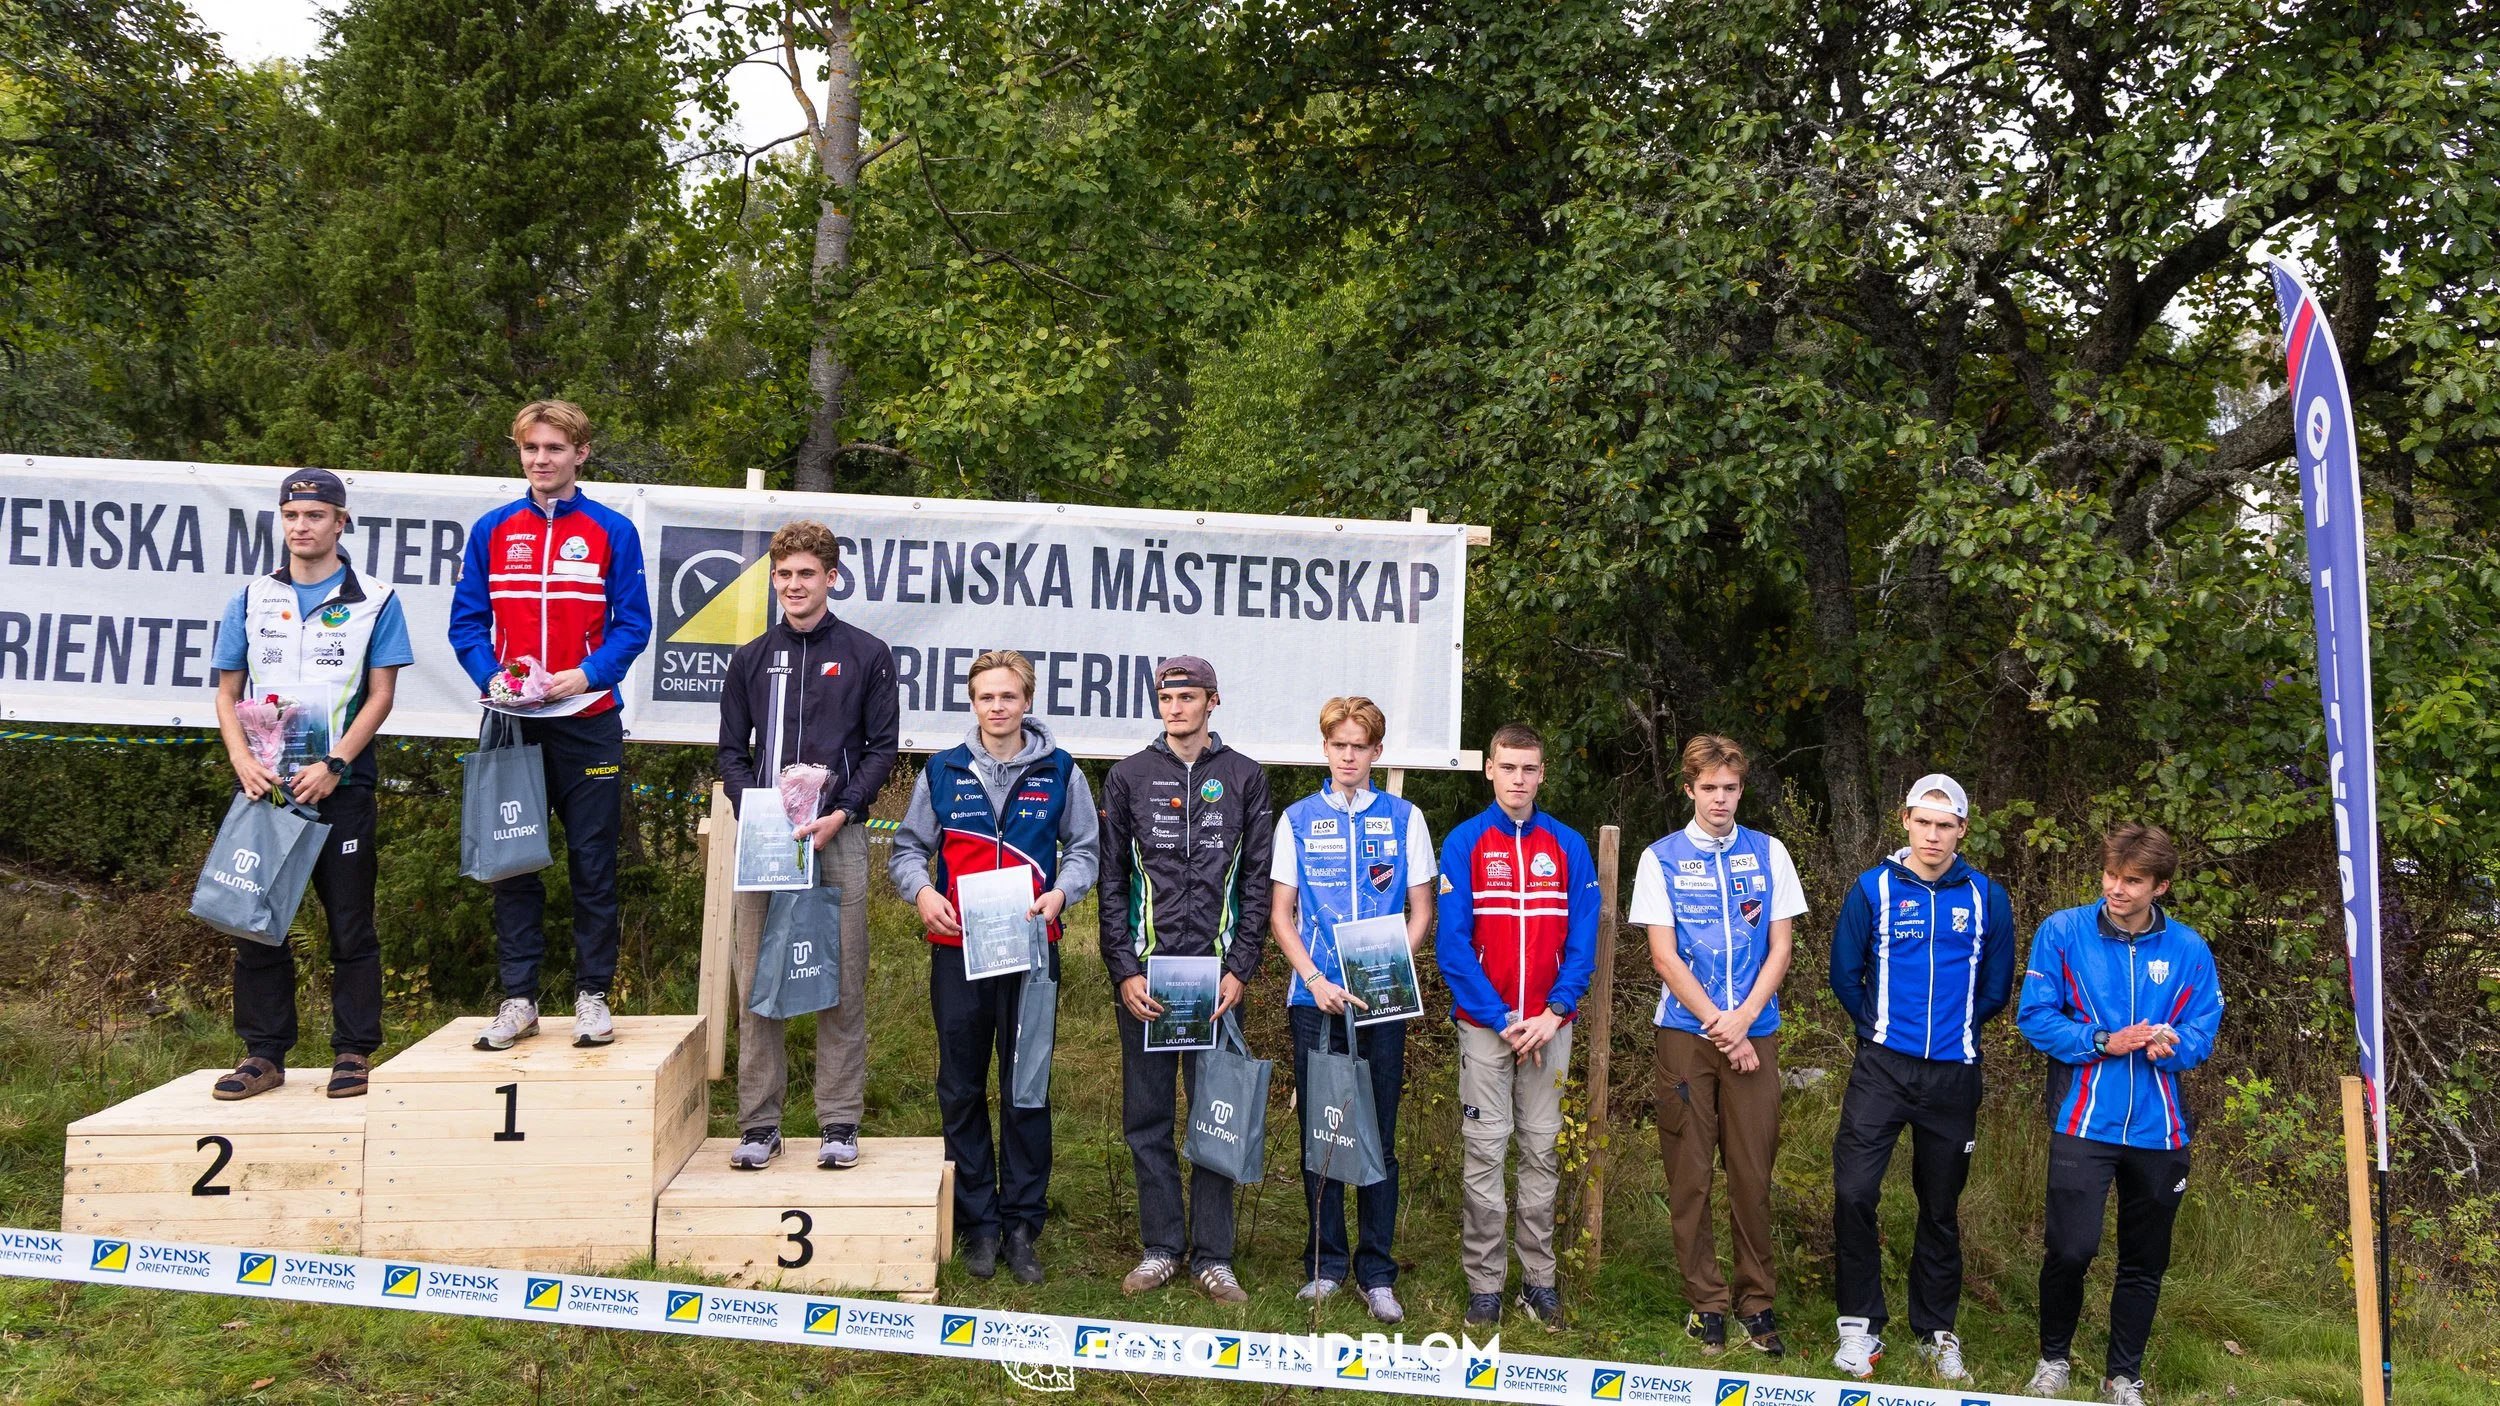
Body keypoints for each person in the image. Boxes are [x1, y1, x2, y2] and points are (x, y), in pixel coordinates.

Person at [448, 399, 651, 1051]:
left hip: (588, 720)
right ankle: (519, 999)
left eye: (555, 448)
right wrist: (495, 678)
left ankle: (592, 995)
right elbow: (466, 623)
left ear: (580, 453)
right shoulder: (492, 529)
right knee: (512, 863)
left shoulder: (612, 530)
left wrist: (587, 675)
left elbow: (634, 625)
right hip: (514, 724)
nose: (541, 459)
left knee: (593, 862)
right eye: (531, 448)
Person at [889, 649, 1097, 1284]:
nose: (997, 707)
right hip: (958, 952)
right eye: (986, 697)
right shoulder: (943, 770)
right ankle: (978, 1221)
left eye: (1008, 696)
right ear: (973, 702)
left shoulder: (1061, 771)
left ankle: (1022, 1224)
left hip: (1032, 951)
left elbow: (1085, 851)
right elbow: (907, 849)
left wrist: (1061, 894)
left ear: (1027, 701)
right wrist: (923, 893)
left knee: (1025, 1087)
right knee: (960, 1086)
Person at [208, 468, 412, 1100]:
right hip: (265, 784)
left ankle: (353, 1051)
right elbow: (226, 694)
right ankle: (263, 1054)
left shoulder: (376, 599)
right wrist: (242, 760)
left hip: (338, 783)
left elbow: (381, 696)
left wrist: (336, 764)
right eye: (292, 516)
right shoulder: (250, 598)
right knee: (255, 920)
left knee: (350, 923)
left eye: (316, 516)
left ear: (340, 522)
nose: (302, 527)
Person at [2018, 823, 2222, 1406]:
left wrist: (2175, 1045)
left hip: (2161, 1130)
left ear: (2160, 886)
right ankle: (2053, 1361)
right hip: (2084, 1121)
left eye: (2132, 881)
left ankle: (2122, 1376)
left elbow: (2203, 1029)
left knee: (2144, 1259)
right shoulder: (2063, 931)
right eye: (2111, 875)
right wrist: (2102, 1039)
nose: (2116, 888)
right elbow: (2035, 1016)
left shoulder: (2189, 949)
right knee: (2071, 1250)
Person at [717, 520, 899, 1172]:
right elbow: (730, 752)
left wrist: (842, 810)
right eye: (785, 574)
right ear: (774, 579)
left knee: (841, 979)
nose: (794, 585)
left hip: (837, 836)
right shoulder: (750, 659)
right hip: (766, 842)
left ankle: (839, 1122)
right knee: (756, 980)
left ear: (831, 577)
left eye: (807, 574)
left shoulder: (867, 654)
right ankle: (759, 1125)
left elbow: (882, 750)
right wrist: (758, 809)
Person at [1826, 774, 2017, 1382]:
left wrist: (1952, 1031)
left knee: (1939, 1205)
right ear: (1905, 821)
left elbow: (1996, 988)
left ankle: (1936, 1330)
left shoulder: (1988, 896)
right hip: (1882, 1069)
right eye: (1923, 822)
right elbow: (1844, 973)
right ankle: (1859, 1326)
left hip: (1954, 1074)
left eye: (1945, 825)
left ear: (1962, 830)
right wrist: (1881, 1030)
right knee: (1855, 1191)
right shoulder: (1872, 888)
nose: (1932, 835)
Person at [1097, 656, 1271, 1304]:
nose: (1175, 708)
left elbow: (1257, 881)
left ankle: (1214, 1257)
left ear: (1212, 701)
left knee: (1215, 1116)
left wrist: (1240, 968)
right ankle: (1163, 1247)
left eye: (1188, 697)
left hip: (1216, 983)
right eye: (1166, 697)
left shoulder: (1246, 777)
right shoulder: (1128, 777)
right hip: (1148, 980)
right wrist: (1124, 971)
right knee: (1147, 1118)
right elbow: (1111, 883)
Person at [1630, 733, 1807, 1358]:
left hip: (1756, 1034)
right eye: (1709, 788)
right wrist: (1719, 1025)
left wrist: (1746, 1020)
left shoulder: (1770, 852)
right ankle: (1705, 1302)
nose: (1720, 799)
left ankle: (1756, 1301)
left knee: (1752, 1175)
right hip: (1687, 1034)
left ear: (1741, 789)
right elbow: (1663, 955)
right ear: (1689, 789)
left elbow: (1781, 945)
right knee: (1690, 1175)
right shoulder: (1660, 858)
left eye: (1730, 788)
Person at [1269, 696, 1436, 1325]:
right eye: (1338, 745)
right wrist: (1313, 978)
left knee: (1378, 1132)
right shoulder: (1296, 819)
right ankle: (1326, 1264)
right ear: (1325, 749)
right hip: (1315, 999)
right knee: (1324, 1134)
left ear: (1376, 753)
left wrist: (1388, 964)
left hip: (1381, 998)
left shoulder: (1405, 818)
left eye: (1358, 746)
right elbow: (1280, 915)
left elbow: (1421, 910)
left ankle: (1377, 1272)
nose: (1347, 756)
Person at [1434, 722, 1598, 1331]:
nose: (1518, 779)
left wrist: (1553, 1012)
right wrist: (1502, 1017)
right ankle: (1485, 1284)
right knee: (1484, 1150)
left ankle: (1538, 1281)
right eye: (1508, 767)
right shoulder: (1465, 842)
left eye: (1529, 769)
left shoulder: (1568, 845)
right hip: (1488, 1026)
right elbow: (1453, 946)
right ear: (1490, 770)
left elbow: (1583, 940)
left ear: (1542, 773)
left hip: (1550, 1025)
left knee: (1541, 1150)